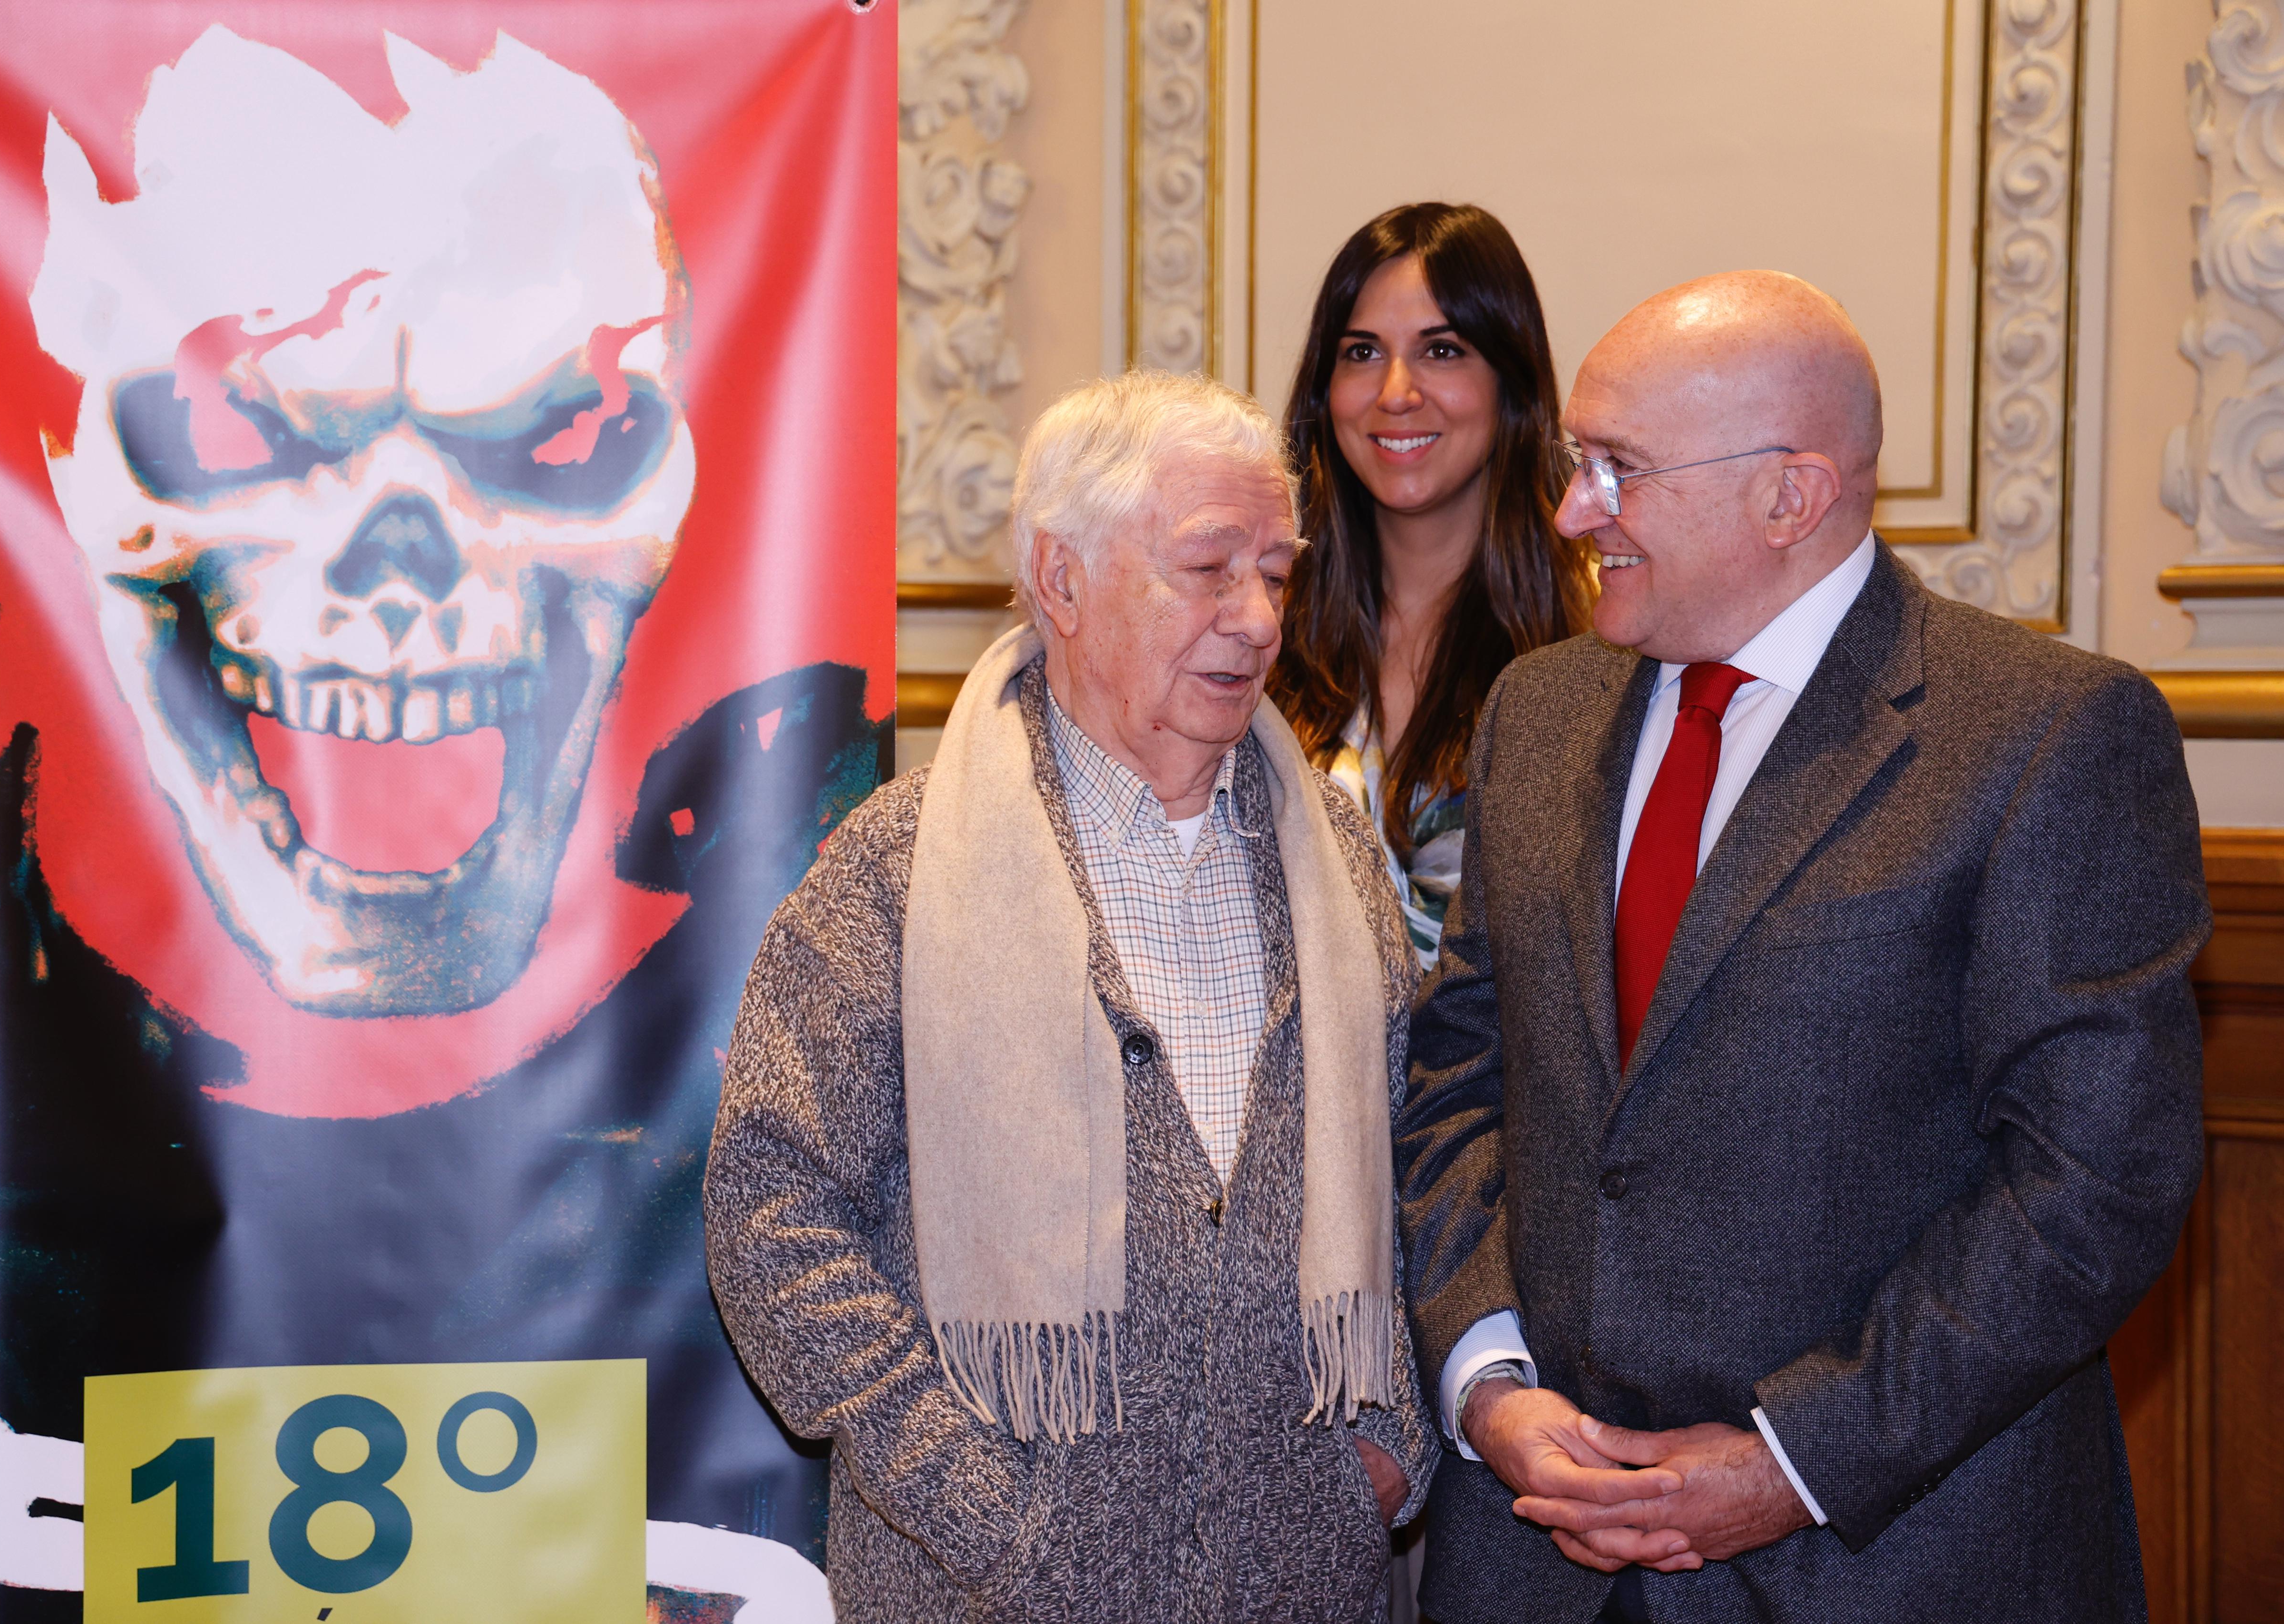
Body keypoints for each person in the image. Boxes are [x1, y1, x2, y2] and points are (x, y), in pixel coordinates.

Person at [1398, 271, 2207, 1624]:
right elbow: (1458, 1075)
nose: (1574, 511)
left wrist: (1797, 1459)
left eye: (1620, 469)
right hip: (1537, 1555)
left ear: (1793, 495)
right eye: (1577, 463)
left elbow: (2093, 1180)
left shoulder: (2043, 736)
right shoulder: (1535, 712)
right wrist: (1488, 1382)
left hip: (1889, 1561)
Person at [706, 370, 1437, 1622]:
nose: (1258, 619)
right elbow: (769, 1204)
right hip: (983, 1594)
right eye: (1207, 568)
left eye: (1275, 572)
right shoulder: (900, 870)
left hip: (1306, 1588)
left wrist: (1378, 1449)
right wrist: (975, 1501)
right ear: (1062, 579)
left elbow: (1424, 1170)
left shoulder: (1341, 861)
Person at [1269, 203, 1591, 969]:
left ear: (1511, 382)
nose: (1396, 391)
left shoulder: (1607, 632)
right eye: (1361, 352)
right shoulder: (1254, 624)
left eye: (1442, 350)